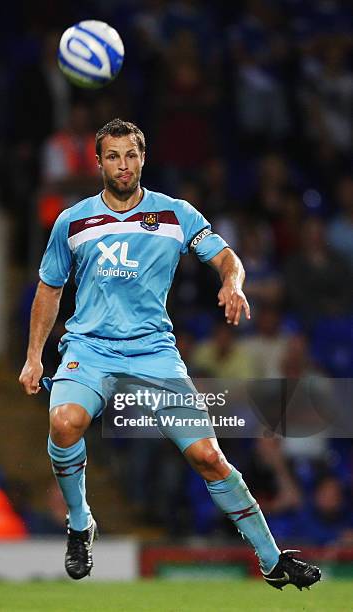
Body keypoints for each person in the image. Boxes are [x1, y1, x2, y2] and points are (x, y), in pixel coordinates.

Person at [19, 118, 320, 590]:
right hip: (89, 349)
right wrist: (35, 356)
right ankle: (80, 524)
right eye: (113, 156)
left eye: (131, 155)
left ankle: (272, 559)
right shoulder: (72, 219)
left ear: (144, 158)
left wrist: (232, 283)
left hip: (155, 354)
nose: (123, 165)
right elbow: (49, 288)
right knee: (64, 422)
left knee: (208, 456)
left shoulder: (175, 214)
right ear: (98, 162)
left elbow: (226, 257)